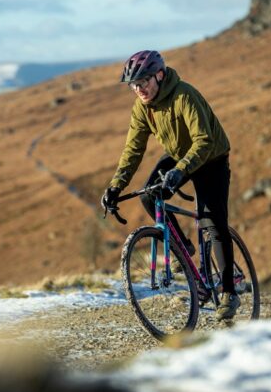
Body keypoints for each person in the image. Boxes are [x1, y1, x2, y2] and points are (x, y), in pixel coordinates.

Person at [101, 50, 239, 320]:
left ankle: (229, 293)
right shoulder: (142, 108)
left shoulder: (183, 95)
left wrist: (180, 172)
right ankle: (182, 249)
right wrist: (116, 186)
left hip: (210, 158)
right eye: (134, 84)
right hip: (179, 156)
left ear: (160, 75)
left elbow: (204, 140)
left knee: (212, 222)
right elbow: (133, 150)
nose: (139, 89)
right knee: (149, 196)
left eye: (143, 81)